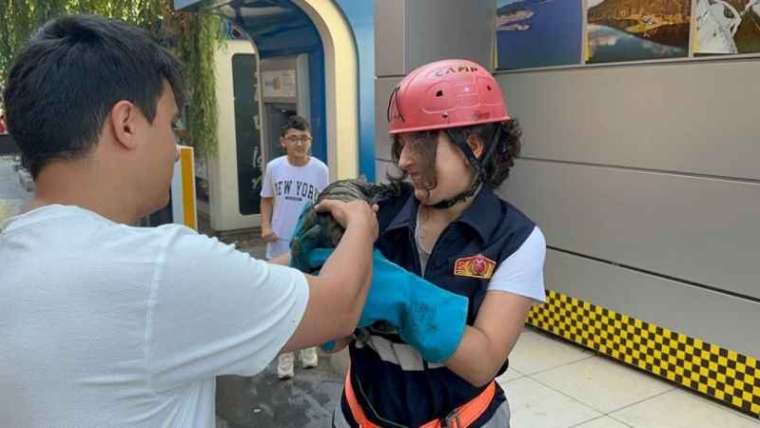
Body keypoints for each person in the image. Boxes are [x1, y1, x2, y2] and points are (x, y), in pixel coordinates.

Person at [0, 14, 376, 427]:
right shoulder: (157, 269)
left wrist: (297, 256)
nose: (175, 148)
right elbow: (339, 309)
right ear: (125, 124)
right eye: (171, 124)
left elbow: (230, 285)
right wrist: (360, 220)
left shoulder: (17, 256)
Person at [330, 59, 547, 427]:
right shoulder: (374, 215)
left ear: (473, 145)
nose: (404, 159)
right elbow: (334, 340)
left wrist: (392, 289)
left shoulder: (516, 238)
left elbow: (483, 361)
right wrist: (318, 284)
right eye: (401, 142)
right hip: (360, 416)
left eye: (421, 143)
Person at [260, 115, 329, 379]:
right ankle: (285, 356)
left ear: (310, 142)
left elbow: (324, 206)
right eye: (294, 138)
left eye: (304, 139)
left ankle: (308, 348)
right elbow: (266, 200)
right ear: (283, 142)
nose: (300, 144)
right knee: (280, 302)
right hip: (279, 245)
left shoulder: (320, 170)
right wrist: (265, 226)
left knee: (306, 300)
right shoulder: (274, 168)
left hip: (308, 244)